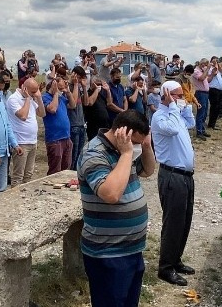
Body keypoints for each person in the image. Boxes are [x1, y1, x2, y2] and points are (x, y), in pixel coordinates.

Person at [77, 109, 155, 307]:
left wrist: (145, 147)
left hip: (132, 249)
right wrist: (128, 153)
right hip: (108, 253)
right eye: (136, 142)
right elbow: (111, 194)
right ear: (123, 134)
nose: (136, 147)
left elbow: (147, 170)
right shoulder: (94, 153)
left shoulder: (124, 150)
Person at [151, 80, 196, 287]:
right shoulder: (160, 117)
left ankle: (176, 259)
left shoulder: (175, 114)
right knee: (173, 223)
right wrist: (172, 107)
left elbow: (190, 124)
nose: (181, 99)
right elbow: (173, 130)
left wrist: (186, 107)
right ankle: (165, 267)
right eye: (177, 95)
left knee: (184, 220)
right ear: (167, 95)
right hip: (172, 175)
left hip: (185, 176)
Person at [6, 79, 45, 187]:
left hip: (32, 141)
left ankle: (25, 198)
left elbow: (42, 113)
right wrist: (28, 98)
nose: (34, 94)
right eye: (33, 92)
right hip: (21, 142)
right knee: (18, 175)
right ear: (24, 88)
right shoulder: (13, 99)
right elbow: (23, 116)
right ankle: (15, 200)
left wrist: (39, 97)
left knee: (28, 174)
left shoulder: (32, 98)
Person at [42, 75, 77, 175]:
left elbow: (73, 105)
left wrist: (68, 92)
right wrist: (56, 93)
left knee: (66, 169)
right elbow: (52, 109)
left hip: (66, 137)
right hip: (55, 139)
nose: (62, 90)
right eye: (60, 88)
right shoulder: (45, 97)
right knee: (55, 170)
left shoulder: (61, 97)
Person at [67, 67, 89, 171]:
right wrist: (76, 84)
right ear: (74, 74)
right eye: (79, 78)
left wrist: (84, 88)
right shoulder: (69, 87)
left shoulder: (78, 87)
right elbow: (74, 103)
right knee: (73, 156)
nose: (80, 80)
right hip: (73, 125)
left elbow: (86, 103)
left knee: (79, 155)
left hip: (81, 124)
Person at [83, 77, 111, 141]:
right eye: (97, 84)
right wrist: (96, 90)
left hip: (104, 125)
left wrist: (108, 91)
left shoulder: (101, 94)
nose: (98, 86)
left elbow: (109, 103)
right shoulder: (88, 93)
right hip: (94, 127)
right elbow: (90, 102)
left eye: (99, 85)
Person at [192, 59, 211, 141]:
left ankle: (202, 129)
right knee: (201, 112)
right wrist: (207, 69)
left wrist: (212, 73)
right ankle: (199, 131)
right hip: (200, 93)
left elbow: (207, 80)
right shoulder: (196, 71)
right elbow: (202, 78)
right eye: (205, 64)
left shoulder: (203, 70)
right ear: (202, 63)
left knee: (205, 112)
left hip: (205, 93)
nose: (206, 66)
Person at [207, 56, 222, 131]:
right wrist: (213, 68)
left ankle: (213, 123)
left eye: (216, 61)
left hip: (219, 90)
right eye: (214, 61)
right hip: (213, 90)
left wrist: (218, 65)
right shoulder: (210, 69)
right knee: (214, 107)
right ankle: (211, 124)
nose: (215, 62)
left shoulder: (218, 68)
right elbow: (209, 79)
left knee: (218, 107)